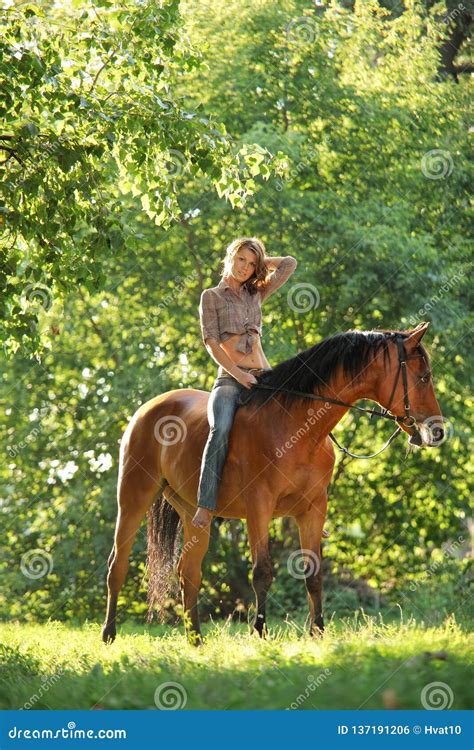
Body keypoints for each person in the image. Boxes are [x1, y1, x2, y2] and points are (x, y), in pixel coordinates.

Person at [193, 237, 297, 528]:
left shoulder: (256, 293)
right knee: (221, 428)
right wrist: (240, 376)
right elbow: (212, 344)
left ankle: (305, 499)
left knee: (297, 420)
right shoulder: (211, 297)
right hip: (231, 378)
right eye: (242, 259)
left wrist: (263, 261)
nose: (245, 268)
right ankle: (206, 504)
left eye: (252, 264)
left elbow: (289, 264)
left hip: (264, 376)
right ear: (230, 256)